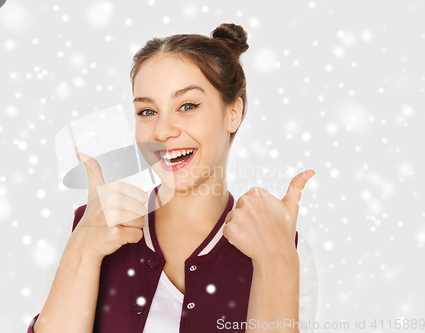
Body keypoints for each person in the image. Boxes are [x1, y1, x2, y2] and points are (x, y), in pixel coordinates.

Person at [28, 23, 319, 333]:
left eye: (187, 106)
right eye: (147, 111)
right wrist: (82, 249)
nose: (162, 131)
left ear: (233, 113)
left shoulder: (285, 247)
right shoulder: (89, 228)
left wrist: (275, 261)